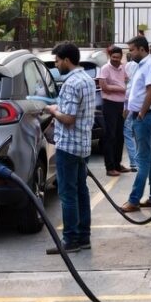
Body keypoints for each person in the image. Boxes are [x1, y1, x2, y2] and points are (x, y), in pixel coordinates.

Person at [44, 41, 96, 254]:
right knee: (81, 192)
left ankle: (70, 240)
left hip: (68, 146)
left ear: (66, 60)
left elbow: (69, 118)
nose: (56, 65)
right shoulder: (87, 80)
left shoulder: (71, 84)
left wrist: (52, 110)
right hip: (83, 146)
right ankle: (84, 237)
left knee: (67, 194)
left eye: (57, 61)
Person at [122, 35, 151, 212]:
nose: (129, 54)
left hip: (145, 117)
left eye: (131, 50)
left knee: (142, 160)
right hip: (141, 116)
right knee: (150, 159)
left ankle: (134, 200)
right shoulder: (142, 66)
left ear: (141, 49)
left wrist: (141, 114)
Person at [97, 45, 127, 176]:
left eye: (118, 58)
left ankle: (117, 164)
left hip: (122, 105)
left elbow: (128, 81)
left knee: (120, 136)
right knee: (110, 136)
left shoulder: (123, 67)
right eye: (113, 57)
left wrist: (123, 88)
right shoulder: (105, 69)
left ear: (121, 58)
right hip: (109, 105)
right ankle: (109, 167)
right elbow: (104, 87)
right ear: (110, 56)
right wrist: (121, 88)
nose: (115, 60)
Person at [122, 53, 139, 172]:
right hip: (137, 104)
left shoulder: (127, 67)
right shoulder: (139, 67)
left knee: (128, 133)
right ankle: (137, 161)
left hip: (129, 103)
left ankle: (134, 162)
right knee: (136, 134)